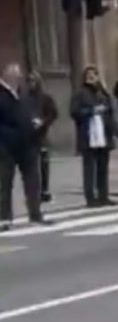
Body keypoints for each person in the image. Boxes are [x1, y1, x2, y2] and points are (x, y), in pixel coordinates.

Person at [0, 63, 51, 230]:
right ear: (6, 75)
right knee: (5, 182)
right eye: (15, 74)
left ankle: (35, 214)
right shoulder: (2, 94)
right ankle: (4, 218)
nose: (19, 77)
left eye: (19, 74)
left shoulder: (22, 93)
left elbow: (27, 112)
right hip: (7, 146)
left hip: (28, 143)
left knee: (33, 180)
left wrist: (34, 123)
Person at [70, 66, 118, 207]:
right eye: (89, 75)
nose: (91, 77)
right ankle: (90, 198)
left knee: (103, 167)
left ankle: (104, 195)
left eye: (94, 75)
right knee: (89, 168)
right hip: (88, 135)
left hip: (104, 134)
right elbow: (74, 112)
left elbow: (110, 111)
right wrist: (91, 111)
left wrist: (113, 130)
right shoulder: (80, 93)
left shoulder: (102, 92)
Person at [23, 72, 58, 204]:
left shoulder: (45, 98)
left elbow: (53, 113)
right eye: (29, 81)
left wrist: (43, 122)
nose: (31, 83)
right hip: (28, 135)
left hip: (42, 134)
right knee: (31, 166)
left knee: (44, 163)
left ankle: (44, 190)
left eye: (33, 81)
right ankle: (33, 192)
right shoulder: (24, 99)